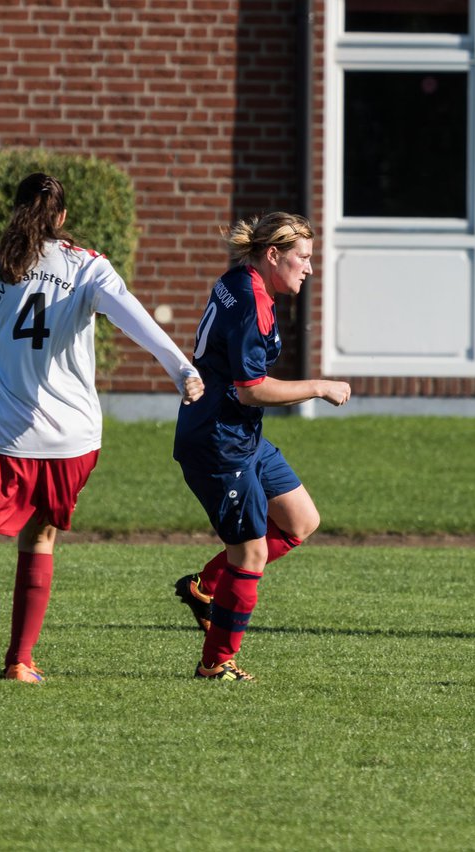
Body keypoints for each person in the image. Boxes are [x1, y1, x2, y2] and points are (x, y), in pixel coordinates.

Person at [0, 172, 204, 687]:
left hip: (3, 435)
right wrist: (183, 370)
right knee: (42, 537)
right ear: (63, 218)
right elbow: (139, 322)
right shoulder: (88, 266)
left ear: (16, 212)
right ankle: (20, 662)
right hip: (73, 439)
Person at [172, 212, 350, 681]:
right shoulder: (253, 301)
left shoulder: (240, 279)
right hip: (219, 441)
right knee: (249, 555)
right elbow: (251, 388)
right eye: (303, 258)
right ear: (273, 255)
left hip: (240, 433)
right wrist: (317, 386)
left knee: (301, 520)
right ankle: (216, 662)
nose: (309, 269)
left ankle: (205, 587)